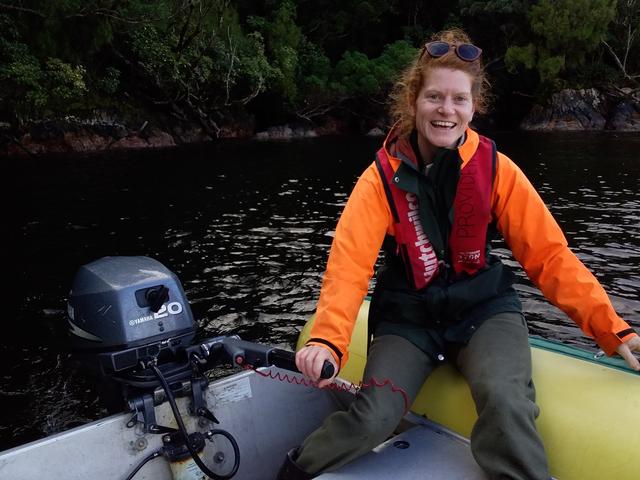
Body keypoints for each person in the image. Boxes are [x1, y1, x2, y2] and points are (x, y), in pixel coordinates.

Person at [277, 28, 640, 480]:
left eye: (459, 100)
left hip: (484, 309)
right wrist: (327, 339)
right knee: (372, 416)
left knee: (505, 401)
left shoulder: (496, 169)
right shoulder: (379, 179)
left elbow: (549, 256)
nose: (446, 111)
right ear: (413, 101)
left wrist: (613, 329)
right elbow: (349, 266)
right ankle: (291, 472)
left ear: (473, 106)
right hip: (409, 317)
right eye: (434, 97)